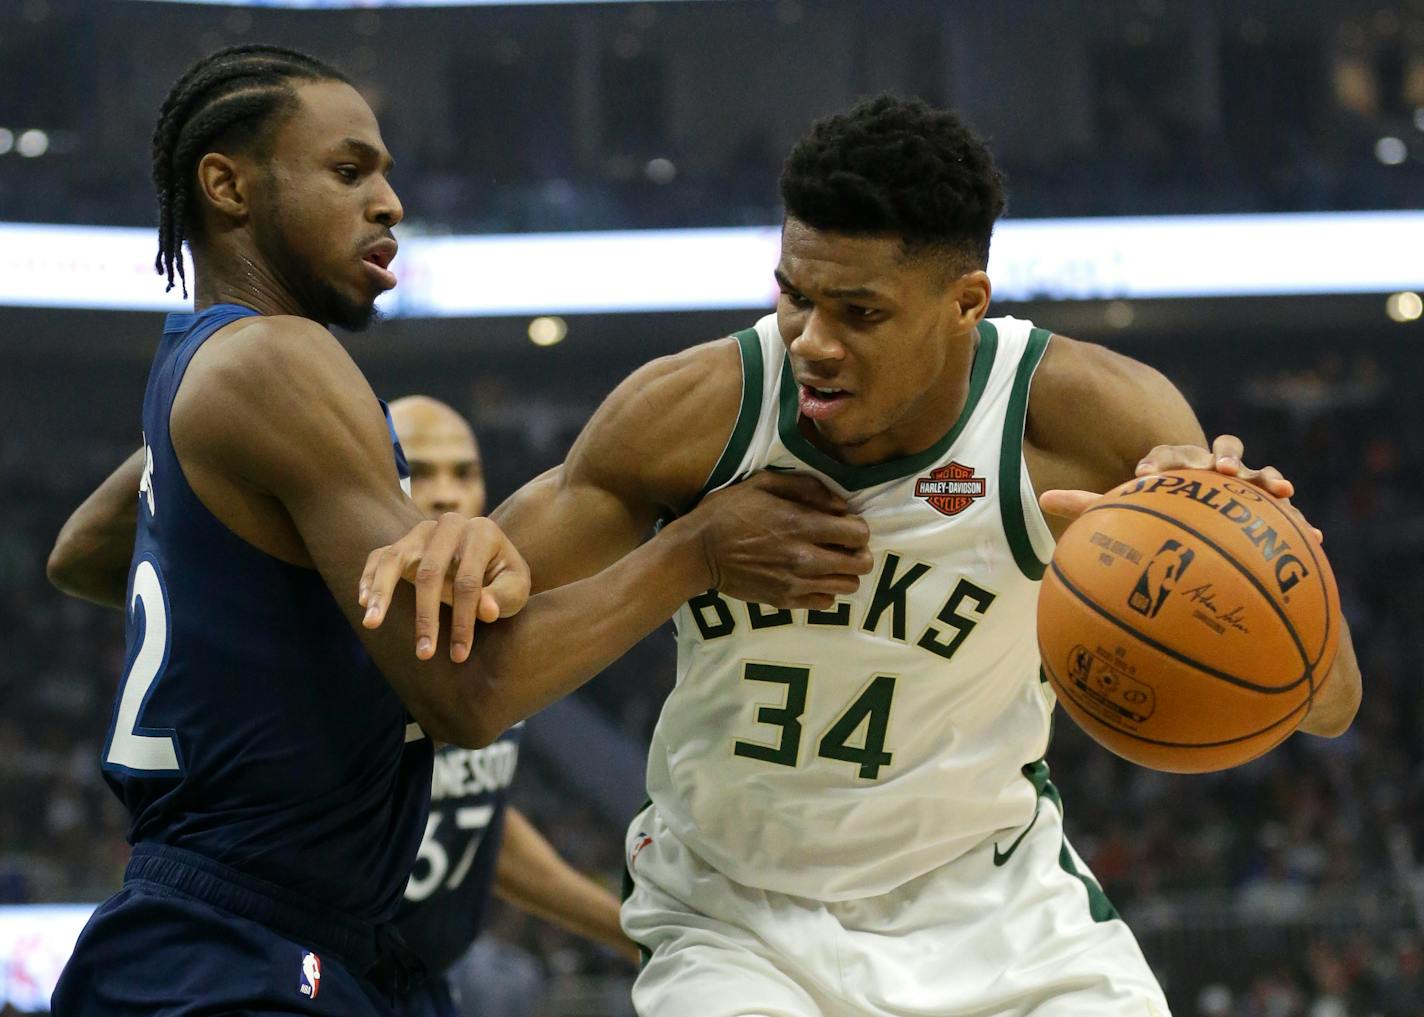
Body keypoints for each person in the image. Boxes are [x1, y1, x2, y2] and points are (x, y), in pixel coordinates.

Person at [363, 94, 1363, 1017]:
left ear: (966, 301)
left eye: (859, 312)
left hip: (994, 907)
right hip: (734, 915)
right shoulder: (692, 415)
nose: (809, 340)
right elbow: (467, 680)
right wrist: (679, 553)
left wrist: (1242, 537)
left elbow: (1327, 701)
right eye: (794, 295)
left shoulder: (1089, 420)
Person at [43, 46, 869, 1017]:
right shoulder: (278, 357)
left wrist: (261, 599)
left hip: (265, 934)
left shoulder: (196, 368)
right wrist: (693, 553)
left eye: (386, 173)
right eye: (350, 171)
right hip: (241, 947)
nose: (389, 201)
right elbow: (468, 698)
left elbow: (81, 554)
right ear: (224, 185)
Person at [386, 395, 637, 1017]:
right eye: (420, 471)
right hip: (323, 975)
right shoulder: (348, 627)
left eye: (463, 473)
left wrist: (633, 934)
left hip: (422, 983)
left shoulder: (483, 630)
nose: (447, 495)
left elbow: (471, 818)